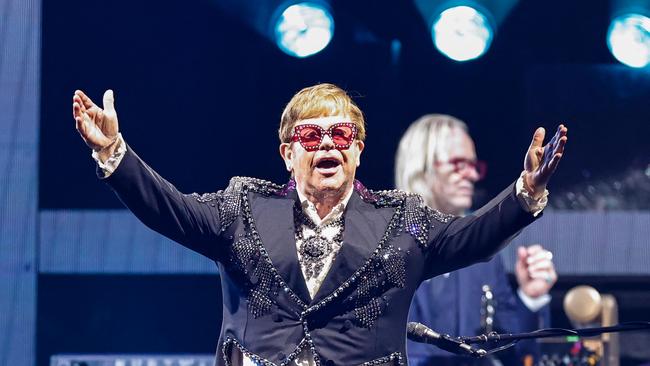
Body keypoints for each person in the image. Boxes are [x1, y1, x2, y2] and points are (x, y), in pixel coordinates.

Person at [72, 84, 567, 366]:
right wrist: (115, 153)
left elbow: (473, 239)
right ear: (289, 154)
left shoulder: (402, 219)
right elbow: (170, 209)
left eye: (341, 134)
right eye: (310, 134)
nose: (327, 143)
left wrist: (525, 192)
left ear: (357, 150)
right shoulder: (242, 208)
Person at [395, 114, 558, 366]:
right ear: (422, 167)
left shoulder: (484, 254)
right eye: (460, 164)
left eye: (474, 165)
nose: (472, 175)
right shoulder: (386, 246)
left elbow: (513, 353)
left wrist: (530, 297)